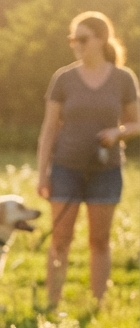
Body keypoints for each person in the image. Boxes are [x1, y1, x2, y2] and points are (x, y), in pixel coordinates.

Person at [37, 11, 139, 309]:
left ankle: (98, 304)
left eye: (82, 39)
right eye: (73, 39)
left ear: (101, 38)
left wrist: (116, 133)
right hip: (65, 168)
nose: (76, 45)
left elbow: (136, 124)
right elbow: (48, 130)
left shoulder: (123, 78)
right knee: (60, 240)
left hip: (106, 171)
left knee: (99, 241)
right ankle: (51, 304)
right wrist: (42, 174)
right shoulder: (64, 78)